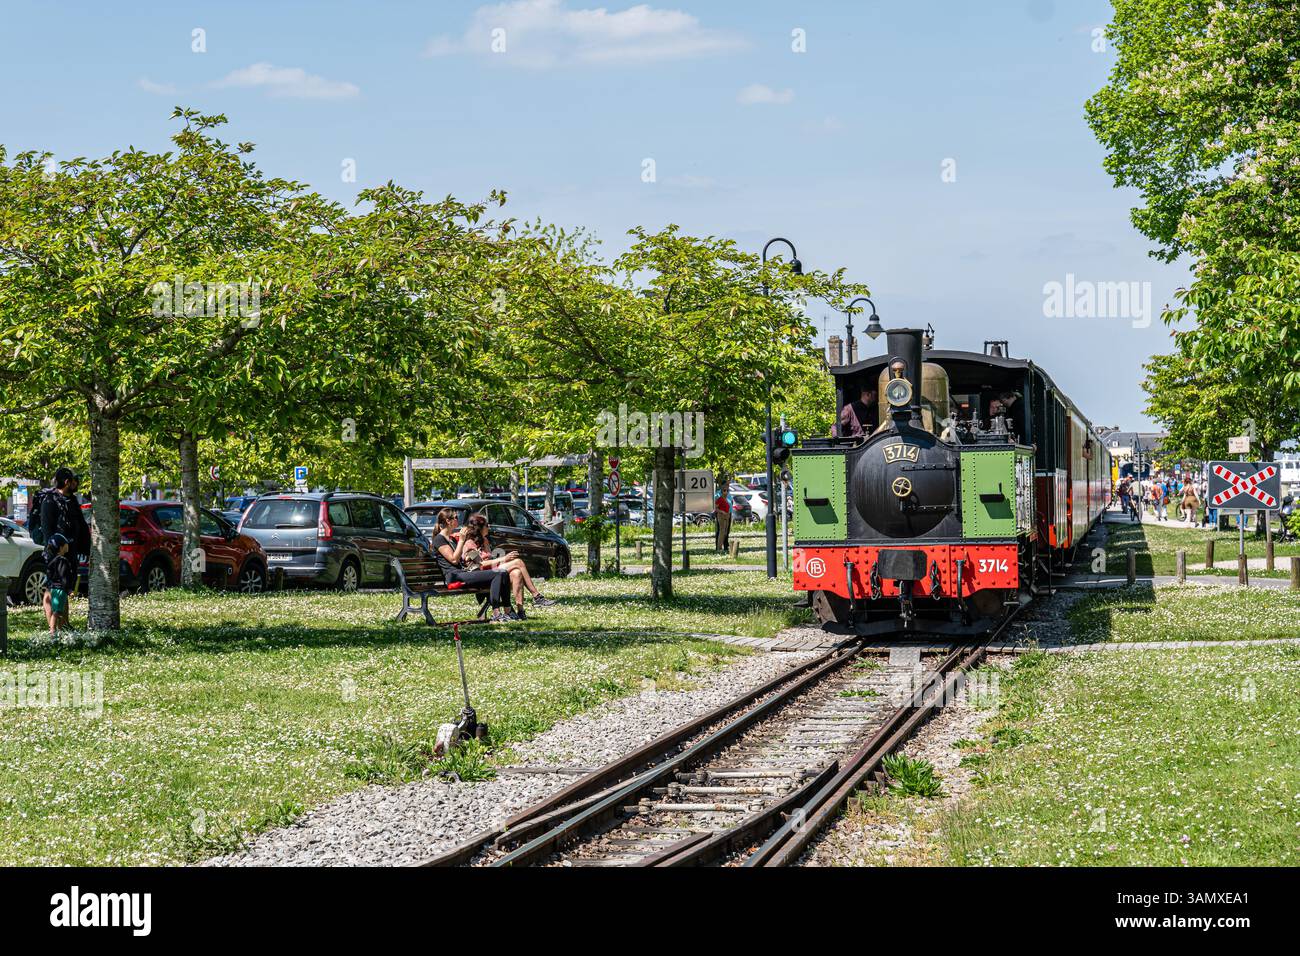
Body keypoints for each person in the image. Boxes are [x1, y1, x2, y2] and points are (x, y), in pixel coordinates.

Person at [464, 513, 555, 615]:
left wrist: (503, 560)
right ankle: (537, 596)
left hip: (493, 571)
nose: (488, 527)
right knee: (518, 562)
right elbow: (481, 564)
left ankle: (520, 611)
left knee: (517, 573)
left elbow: (491, 560)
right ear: (479, 528)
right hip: (482, 575)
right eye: (486, 525)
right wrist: (503, 558)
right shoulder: (470, 544)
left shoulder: (484, 540)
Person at [430, 508, 513, 621]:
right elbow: (454, 560)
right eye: (455, 517)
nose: (458, 520)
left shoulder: (451, 538)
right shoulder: (439, 539)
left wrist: (469, 556)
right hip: (454, 578)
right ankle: (496, 614)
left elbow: (460, 559)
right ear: (448, 521)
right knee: (498, 574)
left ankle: (508, 612)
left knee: (503, 573)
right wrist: (461, 541)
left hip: (463, 573)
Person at [39, 467, 91, 562]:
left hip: (72, 553)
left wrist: (85, 549)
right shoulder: (50, 501)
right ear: (67, 482)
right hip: (58, 555)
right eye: (74, 481)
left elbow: (81, 524)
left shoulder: (72, 500)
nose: (77, 484)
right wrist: (56, 551)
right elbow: (47, 529)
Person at [42, 532, 74, 635]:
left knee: (56, 611)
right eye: (66, 544)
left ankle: (56, 630)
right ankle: (54, 631)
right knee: (57, 612)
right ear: (61, 547)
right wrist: (69, 590)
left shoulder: (51, 560)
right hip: (60, 590)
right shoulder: (62, 560)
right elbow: (64, 577)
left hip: (52, 588)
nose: (68, 545)